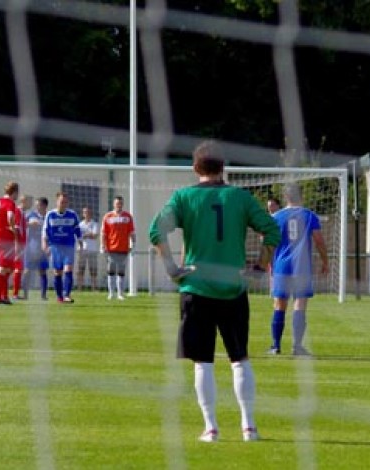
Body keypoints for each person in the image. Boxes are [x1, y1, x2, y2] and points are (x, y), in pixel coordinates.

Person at [149, 140, 280, 443]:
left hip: (196, 287)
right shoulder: (240, 198)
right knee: (240, 358)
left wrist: (170, 267)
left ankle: (211, 428)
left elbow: (156, 230)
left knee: (202, 361)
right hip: (233, 288)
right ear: (223, 167)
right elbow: (272, 231)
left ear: (196, 168)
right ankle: (249, 427)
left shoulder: (183, 197)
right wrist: (259, 267)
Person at [268, 183, 328, 356]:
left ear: (285, 197)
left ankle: (275, 346)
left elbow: (268, 241)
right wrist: (325, 261)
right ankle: (297, 346)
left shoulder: (276, 216)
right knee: (300, 305)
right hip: (302, 267)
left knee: (279, 304)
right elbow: (319, 241)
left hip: (281, 266)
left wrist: (267, 263)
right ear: (301, 196)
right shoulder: (309, 215)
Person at [42, 192, 82, 303]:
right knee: (57, 272)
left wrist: (80, 242)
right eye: (61, 202)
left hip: (68, 246)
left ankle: (67, 295)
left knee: (68, 269)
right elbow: (45, 231)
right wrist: (45, 246)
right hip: (55, 247)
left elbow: (77, 230)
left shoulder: (72, 214)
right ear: (57, 202)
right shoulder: (50, 215)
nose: (63, 204)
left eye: (65, 202)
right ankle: (60, 297)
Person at [101, 196, 136, 300]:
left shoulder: (128, 216)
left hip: (123, 248)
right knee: (111, 271)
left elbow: (132, 232)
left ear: (122, 204)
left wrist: (133, 244)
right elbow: (103, 233)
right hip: (111, 248)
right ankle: (111, 293)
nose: (118, 205)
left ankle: (120, 294)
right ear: (113, 204)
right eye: (117, 203)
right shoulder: (108, 216)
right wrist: (103, 246)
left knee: (121, 271)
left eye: (120, 203)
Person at [23, 197, 50, 300]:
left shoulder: (49, 216)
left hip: (43, 248)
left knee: (42, 271)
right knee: (27, 271)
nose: (36, 207)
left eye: (38, 205)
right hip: (31, 247)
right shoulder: (31, 215)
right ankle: (25, 295)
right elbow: (23, 224)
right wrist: (30, 224)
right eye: (36, 205)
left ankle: (43, 295)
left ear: (44, 206)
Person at [11, 195, 32, 300]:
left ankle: (15, 293)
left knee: (19, 269)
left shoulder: (22, 213)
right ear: (24, 201)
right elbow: (15, 229)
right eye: (30, 201)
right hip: (19, 245)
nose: (31, 204)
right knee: (17, 269)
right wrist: (17, 244)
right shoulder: (18, 212)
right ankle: (14, 294)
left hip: (23, 244)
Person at [77, 207, 100, 291]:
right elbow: (78, 236)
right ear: (83, 214)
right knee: (80, 270)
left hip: (92, 250)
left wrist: (85, 235)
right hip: (82, 249)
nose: (87, 214)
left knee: (93, 270)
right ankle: (80, 288)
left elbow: (94, 235)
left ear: (91, 214)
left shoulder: (95, 224)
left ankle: (94, 288)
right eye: (85, 212)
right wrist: (88, 234)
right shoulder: (80, 224)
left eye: (88, 212)